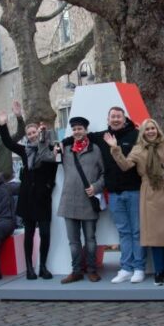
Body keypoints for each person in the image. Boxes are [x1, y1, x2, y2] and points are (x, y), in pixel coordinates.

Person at [63, 107, 146, 284]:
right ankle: (126, 268)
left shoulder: (136, 135)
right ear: (108, 120)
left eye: (118, 116)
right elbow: (79, 135)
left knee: (137, 232)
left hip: (134, 191)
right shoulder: (102, 136)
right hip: (114, 193)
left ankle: (139, 268)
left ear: (124, 119)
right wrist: (60, 143)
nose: (115, 119)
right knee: (123, 233)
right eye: (112, 117)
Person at [106, 118, 164, 286]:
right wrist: (115, 149)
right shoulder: (138, 149)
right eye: (147, 129)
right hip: (150, 194)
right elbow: (125, 166)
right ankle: (157, 272)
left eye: (152, 128)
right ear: (143, 132)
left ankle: (163, 270)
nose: (150, 131)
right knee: (155, 236)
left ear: (157, 130)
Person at [0, 107, 58, 280]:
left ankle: (43, 266)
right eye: (29, 133)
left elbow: (55, 167)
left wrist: (48, 186)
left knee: (45, 233)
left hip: (43, 197)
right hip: (28, 197)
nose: (32, 135)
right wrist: (4, 124)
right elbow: (8, 143)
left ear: (39, 132)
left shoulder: (49, 148)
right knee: (29, 233)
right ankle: (30, 267)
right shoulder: (25, 150)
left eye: (34, 132)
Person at [58, 116, 105, 284]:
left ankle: (92, 270)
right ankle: (76, 271)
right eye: (74, 129)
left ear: (86, 130)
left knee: (91, 240)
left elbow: (105, 174)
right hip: (68, 201)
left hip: (88, 201)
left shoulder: (96, 149)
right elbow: (47, 157)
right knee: (73, 242)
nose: (77, 132)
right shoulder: (66, 149)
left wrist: (96, 187)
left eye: (80, 129)